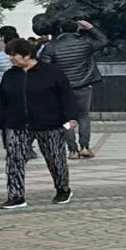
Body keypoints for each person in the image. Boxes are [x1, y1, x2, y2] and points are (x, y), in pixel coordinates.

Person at [0, 39, 76, 209]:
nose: (11, 59)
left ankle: (62, 189)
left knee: (55, 159)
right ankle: (16, 195)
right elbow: (2, 102)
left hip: (49, 124)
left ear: (27, 55)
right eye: (9, 56)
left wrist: (70, 117)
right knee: (14, 159)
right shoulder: (10, 75)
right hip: (17, 125)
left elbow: (67, 97)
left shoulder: (52, 73)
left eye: (14, 55)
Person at [40, 19, 108, 158]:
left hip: (61, 89)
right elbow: (103, 41)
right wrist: (90, 27)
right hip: (83, 85)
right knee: (83, 116)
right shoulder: (86, 43)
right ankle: (85, 147)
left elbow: (44, 69)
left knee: (66, 119)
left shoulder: (51, 46)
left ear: (60, 31)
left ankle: (72, 149)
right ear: (77, 30)